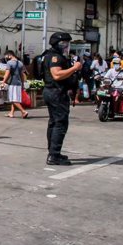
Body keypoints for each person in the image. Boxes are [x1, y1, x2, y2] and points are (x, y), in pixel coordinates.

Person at [42, 32, 81, 166]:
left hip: (52, 91)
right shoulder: (55, 57)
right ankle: (53, 155)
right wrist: (74, 68)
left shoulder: (50, 55)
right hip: (56, 92)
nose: (66, 46)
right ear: (57, 44)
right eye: (64, 44)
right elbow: (57, 75)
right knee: (60, 123)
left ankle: (54, 152)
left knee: (54, 122)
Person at [2, 50, 29, 119]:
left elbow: (7, 74)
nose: (6, 58)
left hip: (12, 83)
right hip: (19, 83)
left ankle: (23, 111)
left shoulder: (9, 63)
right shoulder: (20, 63)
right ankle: (11, 113)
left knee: (13, 99)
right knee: (15, 98)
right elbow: (22, 75)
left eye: (6, 56)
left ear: (10, 55)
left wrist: (3, 82)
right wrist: (22, 84)